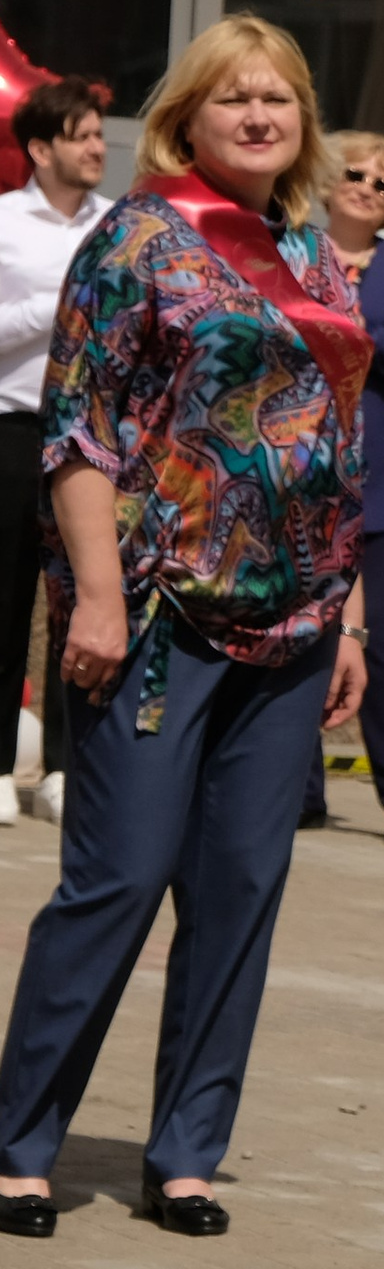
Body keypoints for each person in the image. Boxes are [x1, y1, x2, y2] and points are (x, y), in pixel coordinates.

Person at [0, 15, 370, 1243]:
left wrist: (352, 610)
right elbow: (81, 432)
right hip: (159, 613)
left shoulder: (318, 259)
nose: (260, 116)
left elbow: (335, 449)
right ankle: (21, 1142)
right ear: (186, 120)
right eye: (233, 100)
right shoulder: (138, 240)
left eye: (279, 99)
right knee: (117, 879)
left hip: (299, 620)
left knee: (242, 886)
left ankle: (187, 1153)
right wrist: (95, 597)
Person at [300, 133, 384, 844]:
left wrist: (358, 323)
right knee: (300, 632)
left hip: (378, 477)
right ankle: (302, 793)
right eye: (355, 174)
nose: (366, 187)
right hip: (297, 470)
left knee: (372, 633)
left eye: (383, 184)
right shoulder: (294, 250)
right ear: (328, 183)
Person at [0, 79, 111, 828]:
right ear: (41, 149)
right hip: (13, 425)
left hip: (96, 439)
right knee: (3, 600)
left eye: (101, 134)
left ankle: (70, 769)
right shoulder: (5, 223)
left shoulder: (123, 228)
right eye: (81, 136)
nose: (98, 147)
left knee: (83, 601)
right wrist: (66, 298)